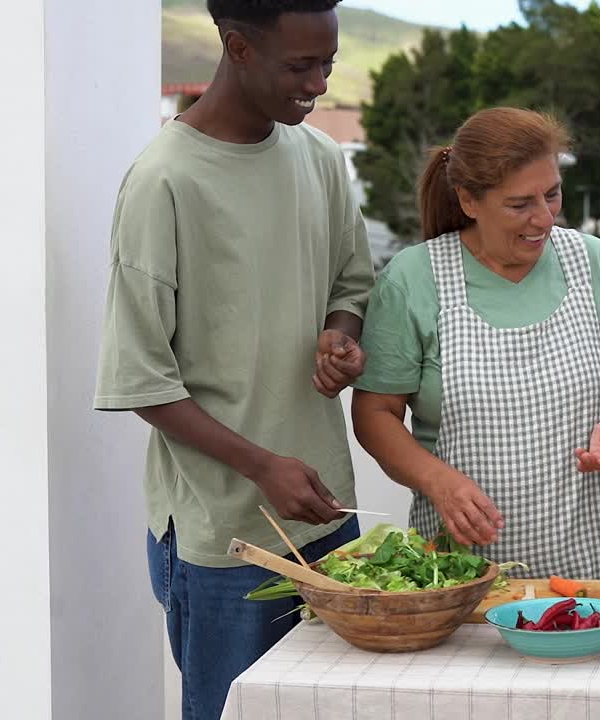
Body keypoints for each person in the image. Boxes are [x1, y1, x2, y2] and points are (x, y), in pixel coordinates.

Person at [92, 2, 373, 718]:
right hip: (225, 541)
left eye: (328, 62)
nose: (318, 83)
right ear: (238, 47)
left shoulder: (319, 157)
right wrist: (261, 466)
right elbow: (141, 379)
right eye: (300, 65)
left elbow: (351, 282)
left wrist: (340, 337)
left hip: (329, 517)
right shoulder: (163, 182)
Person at [350, 107, 600, 579]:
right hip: (465, 571)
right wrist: (439, 482)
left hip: (599, 563)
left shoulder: (597, 263)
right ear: (469, 200)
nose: (543, 218)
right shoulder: (413, 280)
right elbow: (375, 415)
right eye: (519, 205)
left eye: (552, 194)